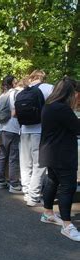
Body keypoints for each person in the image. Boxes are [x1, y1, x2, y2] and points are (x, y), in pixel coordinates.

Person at [38, 77, 80, 241]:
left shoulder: (49, 106)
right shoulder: (62, 109)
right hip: (62, 154)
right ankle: (67, 225)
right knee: (67, 186)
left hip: (50, 152)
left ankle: (48, 212)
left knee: (53, 181)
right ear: (71, 93)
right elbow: (77, 128)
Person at [17, 70, 53, 207]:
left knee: (25, 163)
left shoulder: (22, 91)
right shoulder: (49, 88)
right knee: (39, 164)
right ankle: (34, 195)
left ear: (32, 77)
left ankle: (26, 192)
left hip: (24, 130)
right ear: (43, 78)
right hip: (40, 130)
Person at [0, 75, 23, 193]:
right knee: (13, 157)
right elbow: (15, 112)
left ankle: (0, 181)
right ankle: (14, 184)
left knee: (2, 155)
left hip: (2, 128)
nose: (17, 82)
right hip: (13, 128)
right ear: (12, 83)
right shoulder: (15, 94)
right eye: (15, 81)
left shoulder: (2, 95)